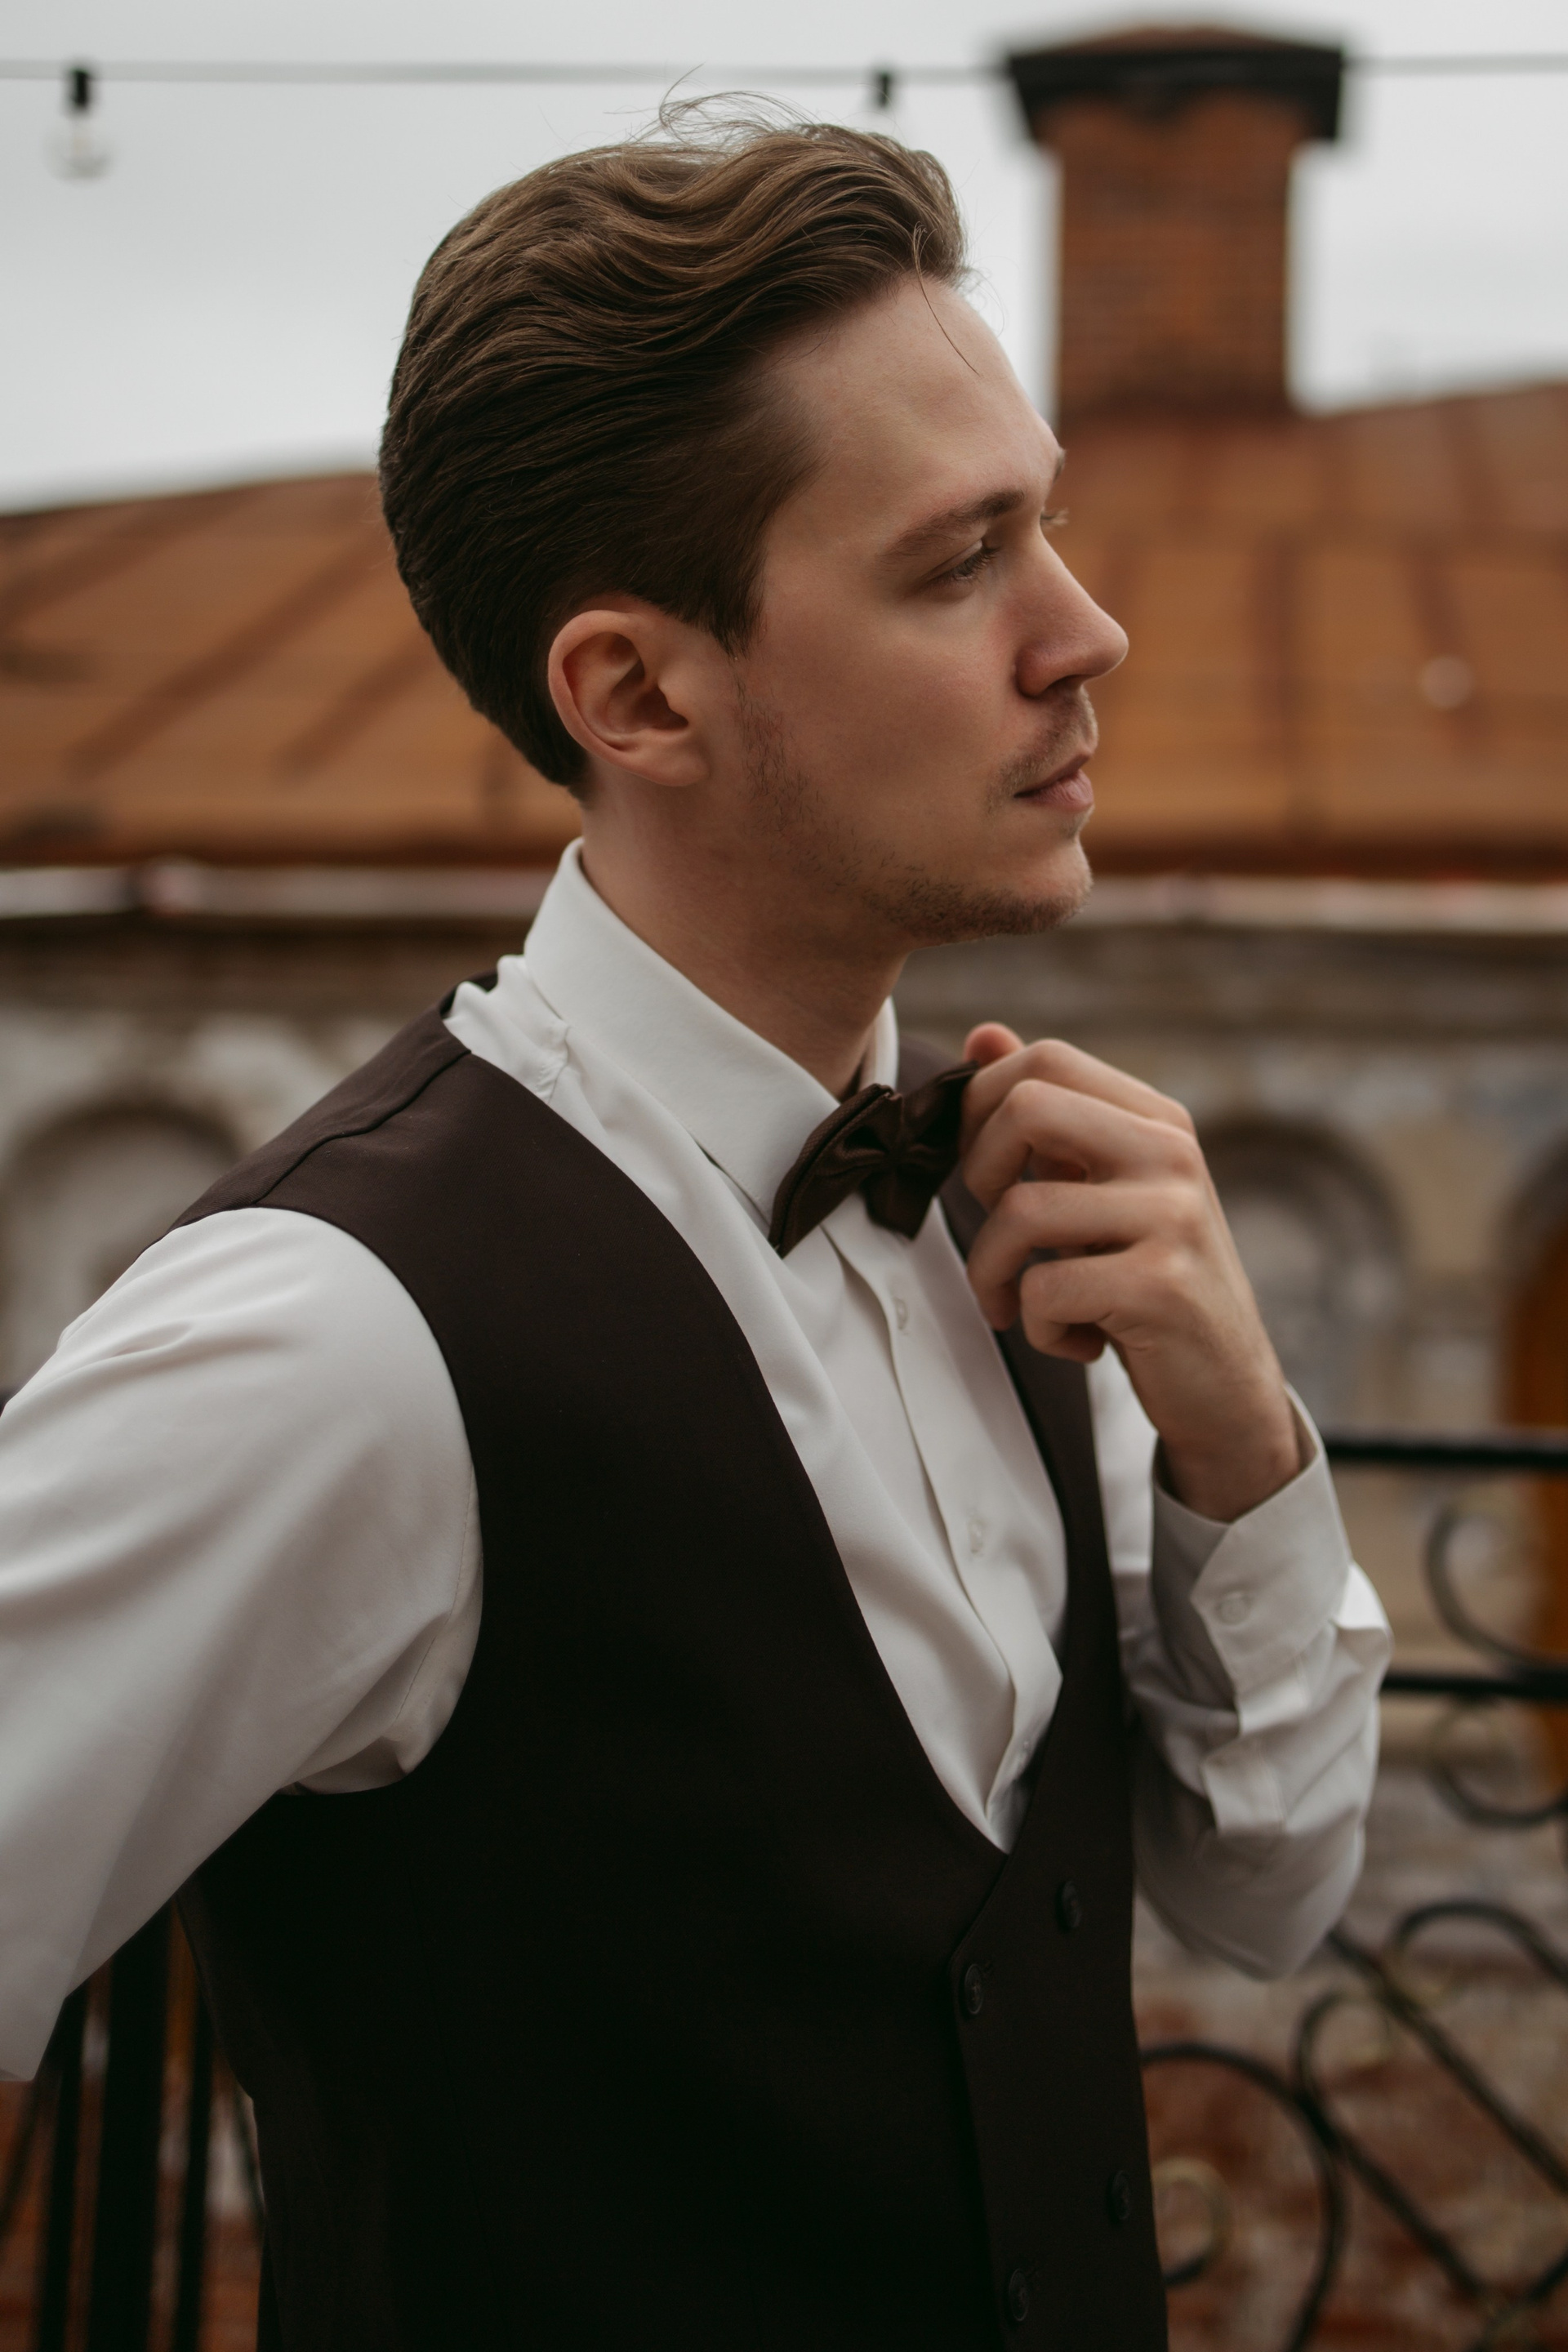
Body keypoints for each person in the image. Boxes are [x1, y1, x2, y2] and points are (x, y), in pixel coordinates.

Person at [0, 113, 1388, 2350]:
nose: (1088, 630)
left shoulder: (1024, 1212)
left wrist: (1244, 1448)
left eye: (1047, 523)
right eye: (960, 564)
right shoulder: (331, 1334)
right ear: (638, 693)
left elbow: (1266, 1895)